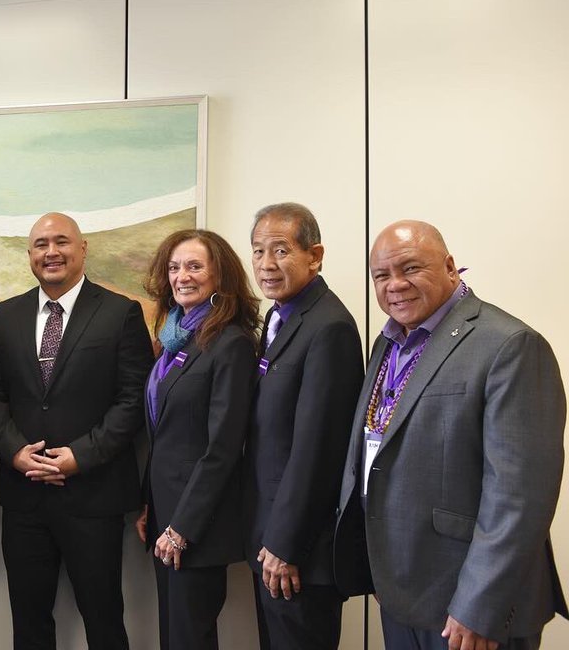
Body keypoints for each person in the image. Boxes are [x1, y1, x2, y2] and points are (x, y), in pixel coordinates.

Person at [333, 220, 567, 650]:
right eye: (381, 276)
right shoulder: (388, 342)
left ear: (451, 266)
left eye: (410, 268)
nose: (395, 285)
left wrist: (478, 605)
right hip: (403, 588)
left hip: (469, 602)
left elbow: (519, 496)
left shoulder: (510, 345)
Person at [0, 212, 153, 650]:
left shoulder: (120, 313)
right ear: (30, 254)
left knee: (104, 619)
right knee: (29, 622)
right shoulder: (8, 314)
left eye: (61, 242)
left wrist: (81, 456)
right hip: (24, 497)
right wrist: (15, 452)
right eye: (40, 244)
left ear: (83, 248)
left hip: (94, 497)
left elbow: (133, 400)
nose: (51, 252)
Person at [243, 204, 363, 650]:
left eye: (280, 250)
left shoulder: (329, 326)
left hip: (297, 552)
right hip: (269, 538)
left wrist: (285, 545)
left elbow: (320, 449)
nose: (266, 264)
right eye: (258, 251)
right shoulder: (279, 315)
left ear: (315, 256)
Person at [135, 228, 258, 650]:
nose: (181, 276)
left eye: (193, 266)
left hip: (195, 527)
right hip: (165, 515)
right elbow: (166, 433)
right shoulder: (174, 338)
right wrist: (149, 503)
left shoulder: (232, 343)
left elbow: (222, 448)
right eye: (174, 267)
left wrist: (181, 528)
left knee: (190, 638)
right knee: (173, 636)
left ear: (218, 275)